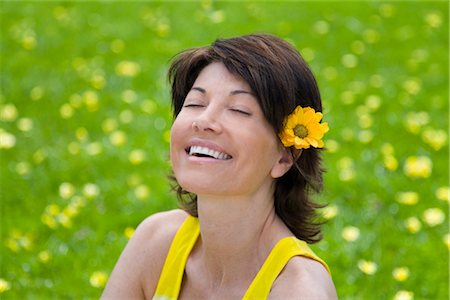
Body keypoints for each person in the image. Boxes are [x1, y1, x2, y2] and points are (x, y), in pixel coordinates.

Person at [102, 33, 337, 299]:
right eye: (195, 103)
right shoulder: (156, 241)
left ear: (284, 157)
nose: (203, 120)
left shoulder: (298, 290)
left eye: (238, 109)